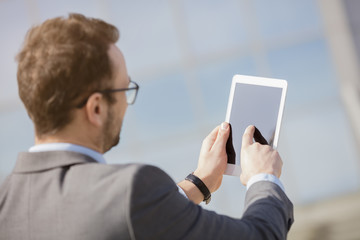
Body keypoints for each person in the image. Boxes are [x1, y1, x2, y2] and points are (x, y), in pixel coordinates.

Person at [0, 13, 293, 240]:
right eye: (124, 90)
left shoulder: (5, 203)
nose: (128, 103)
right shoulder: (132, 189)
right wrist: (263, 179)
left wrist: (200, 181)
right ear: (97, 108)